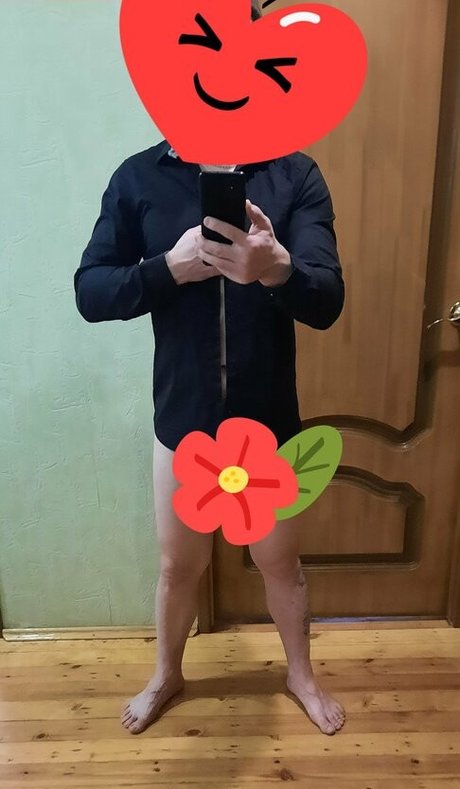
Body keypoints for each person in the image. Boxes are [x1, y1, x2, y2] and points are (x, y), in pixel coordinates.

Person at [74, 0, 346, 737]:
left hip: (270, 427)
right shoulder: (138, 178)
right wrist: (167, 269)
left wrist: (276, 268)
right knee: (177, 566)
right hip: (182, 424)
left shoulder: (295, 175)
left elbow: (327, 300)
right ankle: (167, 672)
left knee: (281, 564)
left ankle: (300, 674)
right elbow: (90, 292)